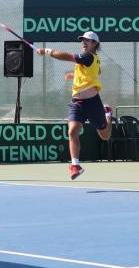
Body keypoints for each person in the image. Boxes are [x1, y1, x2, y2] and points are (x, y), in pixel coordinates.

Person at [36, 31, 112, 180]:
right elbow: (95, 72)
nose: (84, 43)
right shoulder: (90, 60)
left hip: (93, 103)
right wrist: (75, 75)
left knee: (105, 136)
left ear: (95, 44)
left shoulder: (89, 56)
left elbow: (69, 57)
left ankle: (108, 115)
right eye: (82, 40)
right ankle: (75, 165)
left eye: (88, 41)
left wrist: (47, 51)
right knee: (72, 131)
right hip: (76, 103)